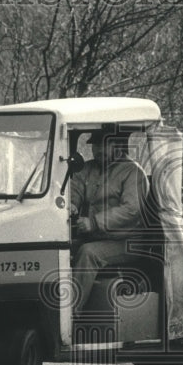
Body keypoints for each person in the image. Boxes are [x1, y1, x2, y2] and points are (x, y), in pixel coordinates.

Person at [68, 127, 149, 313]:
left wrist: (93, 222)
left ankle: (69, 317)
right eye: (95, 145)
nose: (97, 150)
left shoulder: (133, 172)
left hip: (126, 241)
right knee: (60, 249)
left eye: (103, 144)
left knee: (88, 253)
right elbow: (75, 189)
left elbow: (132, 210)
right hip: (97, 236)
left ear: (117, 145)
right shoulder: (88, 168)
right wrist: (71, 204)